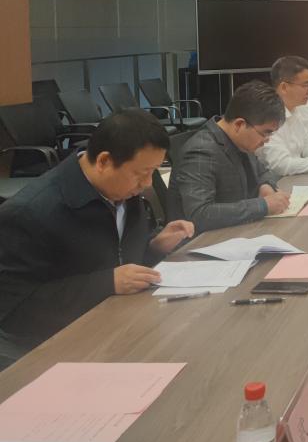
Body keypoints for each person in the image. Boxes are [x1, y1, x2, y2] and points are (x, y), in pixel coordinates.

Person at [0, 110, 194, 369]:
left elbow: (115, 252)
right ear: (104, 161)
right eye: (141, 173)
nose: (147, 183)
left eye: (153, 172)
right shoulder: (30, 213)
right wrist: (107, 283)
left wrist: (154, 246)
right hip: (59, 349)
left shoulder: (121, 190)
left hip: (123, 324)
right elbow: (15, 311)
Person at [165, 81, 291, 234]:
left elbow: (263, 172)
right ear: (239, 124)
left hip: (237, 231)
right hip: (203, 241)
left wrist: (266, 186)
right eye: (265, 133)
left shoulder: (242, 140)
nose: (267, 140)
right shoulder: (201, 151)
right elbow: (200, 214)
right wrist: (263, 205)